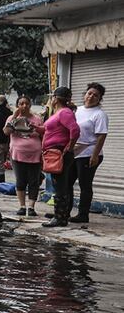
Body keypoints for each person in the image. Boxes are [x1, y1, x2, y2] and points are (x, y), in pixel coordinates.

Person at [35, 86, 79, 228]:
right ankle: (61, 215)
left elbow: (75, 130)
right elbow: (47, 129)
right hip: (54, 152)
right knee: (59, 184)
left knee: (59, 186)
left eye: (52, 97)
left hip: (59, 152)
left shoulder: (65, 112)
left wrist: (70, 146)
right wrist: (34, 127)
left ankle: (60, 218)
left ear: (56, 98)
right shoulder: (57, 113)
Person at [71, 82, 109, 223]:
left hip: (89, 153)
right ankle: (63, 211)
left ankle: (83, 214)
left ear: (99, 99)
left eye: (96, 95)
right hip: (74, 152)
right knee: (67, 182)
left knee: (85, 184)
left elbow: (101, 136)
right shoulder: (77, 110)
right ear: (85, 94)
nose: (91, 96)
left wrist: (94, 155)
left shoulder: (99, 114)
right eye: (89, 93)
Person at [4, 95, 43, 217]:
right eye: (21, 103)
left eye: (27, 103)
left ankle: (31, 207)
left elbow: (44, 132)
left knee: (34, 181)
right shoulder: (12, 118)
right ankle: (22, 206)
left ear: (30, 105)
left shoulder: (37, 119)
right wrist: (15, 116)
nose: (24, 106)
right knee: (20, 181)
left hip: (35, 154)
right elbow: (6, 131)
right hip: (18, 154)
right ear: (17, 106)